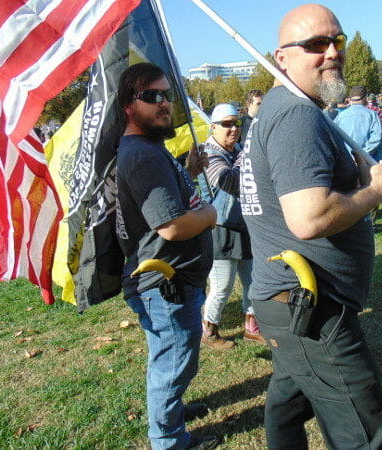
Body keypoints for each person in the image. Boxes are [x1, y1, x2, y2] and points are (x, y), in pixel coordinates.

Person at [240, 4, 382, 449]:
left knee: (288, 403)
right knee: (362, 425)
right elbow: (308, 218)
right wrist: (376, 192)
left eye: (338, 41)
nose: (332, 52)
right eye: (315, 44)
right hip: (310, 305)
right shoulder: (296, 115)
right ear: (282, 58)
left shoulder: (283, 109)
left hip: (290, 301)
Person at [115, 62, 218, 450]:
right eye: (152, 97)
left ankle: (169, 411)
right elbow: (172, 227)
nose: (164, 104)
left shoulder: (149, 149)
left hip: (169, 279)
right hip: (164, 284)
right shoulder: (142, 154)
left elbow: (164, 201)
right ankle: (168, 439)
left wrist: (186, 170)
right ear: (129, 105)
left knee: (173, 358)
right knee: (173, 362)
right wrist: (210, 214)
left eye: (167, 95)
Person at [200, 103, 263, 349]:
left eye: (236, 123)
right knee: (222, 287)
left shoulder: (236, 149)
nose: (233, 129)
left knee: (254, 281)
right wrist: (247, 155)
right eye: (226, 124)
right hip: (221, 230)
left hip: (246, 225)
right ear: (213, 126)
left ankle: (252, 327)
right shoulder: (208, 153)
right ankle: (209, 330)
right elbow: (230, 182)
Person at [334, 85, 382, 161]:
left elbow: (334, 137)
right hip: (369, 161)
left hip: (347, 160)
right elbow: (376, 138)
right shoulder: (372, 115)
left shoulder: (341, 116)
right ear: (365, 98)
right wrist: (363, 155)